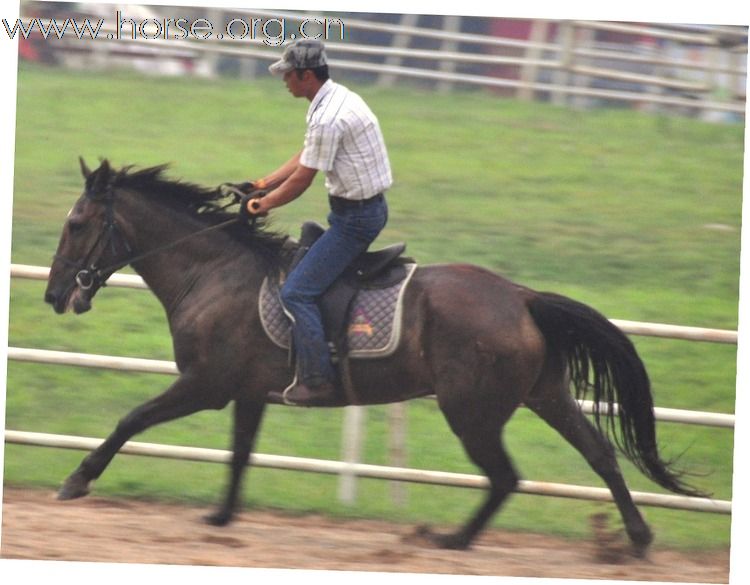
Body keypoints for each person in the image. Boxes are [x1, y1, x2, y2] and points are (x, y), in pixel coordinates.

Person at [244, 39, 392, 406]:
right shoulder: (333, 98)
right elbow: (306, 154)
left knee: (296, 292)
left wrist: (261, 206)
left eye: (288, 75)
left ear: (306, 76)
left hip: (356, 220)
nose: (284, 81)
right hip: (355, 210)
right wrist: (262, 184)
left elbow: (302, 179)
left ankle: (318, 380)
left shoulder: (328, 116)